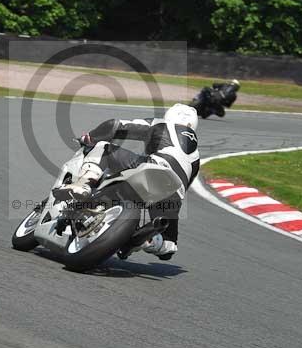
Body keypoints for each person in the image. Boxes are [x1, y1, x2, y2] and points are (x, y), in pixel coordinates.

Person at [52, 103, 200, 260]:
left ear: (170, 116)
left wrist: (89, 137)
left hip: (154, 166)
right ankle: (147, 240)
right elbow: (185, 185)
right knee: (168, 246)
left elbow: (115, 125)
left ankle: (84, 184)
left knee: (103, 147)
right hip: (173, 192)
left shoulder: (161, 124)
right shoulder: (196, 157)